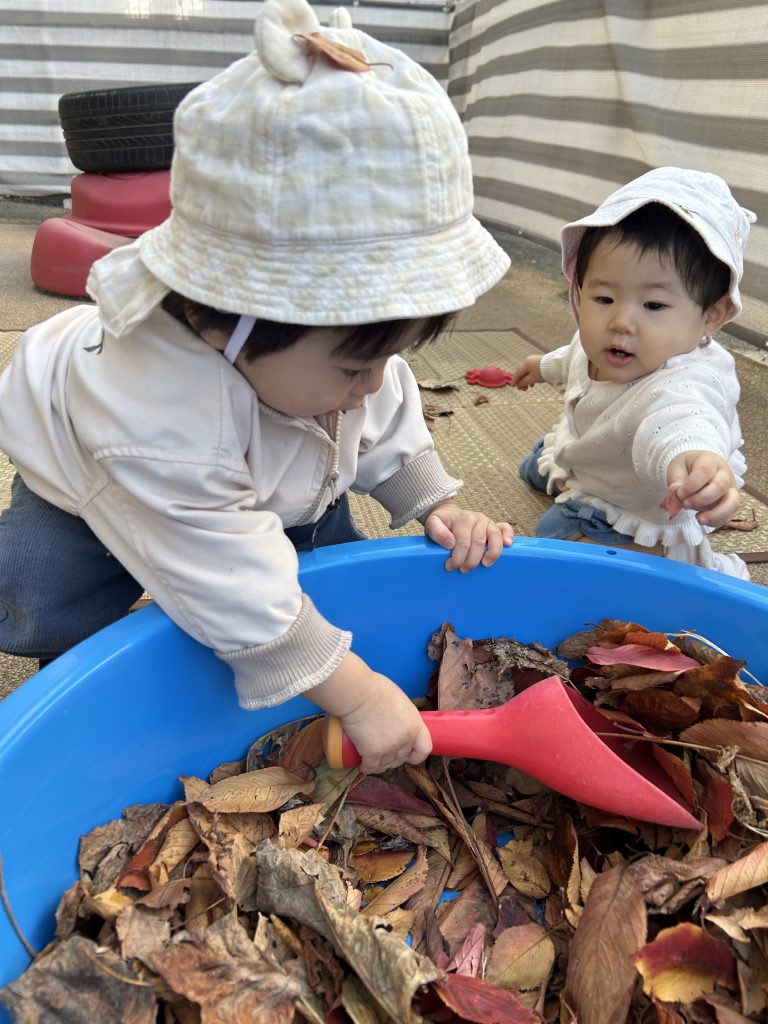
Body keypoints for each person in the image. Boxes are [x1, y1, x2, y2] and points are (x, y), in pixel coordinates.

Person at [0, 0, 514, 772]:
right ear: (218, 321)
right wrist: (358, 696)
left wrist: (430, 499)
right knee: (53, 585)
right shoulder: (157, 417)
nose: (373, 385)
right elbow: (228, 580)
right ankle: (76, 673)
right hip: (84, 477)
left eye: (392, 351)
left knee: (318, 572)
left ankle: (310, 634)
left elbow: (383, 404)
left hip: (272, 448)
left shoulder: (328, 359)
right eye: (356, 365)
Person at [510, 166, 755, 580]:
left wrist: (695, 460)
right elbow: (573, 357)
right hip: (598, 449)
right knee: (541, 462)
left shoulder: (686, 383)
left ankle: (673, 557)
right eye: (604, 297)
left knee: (556, 536)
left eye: (654, 305)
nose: (621, 321)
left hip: (641, 493)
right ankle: (570, 467)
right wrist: (541, 367)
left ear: (711, 316)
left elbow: (681, 421)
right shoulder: (608, 340)